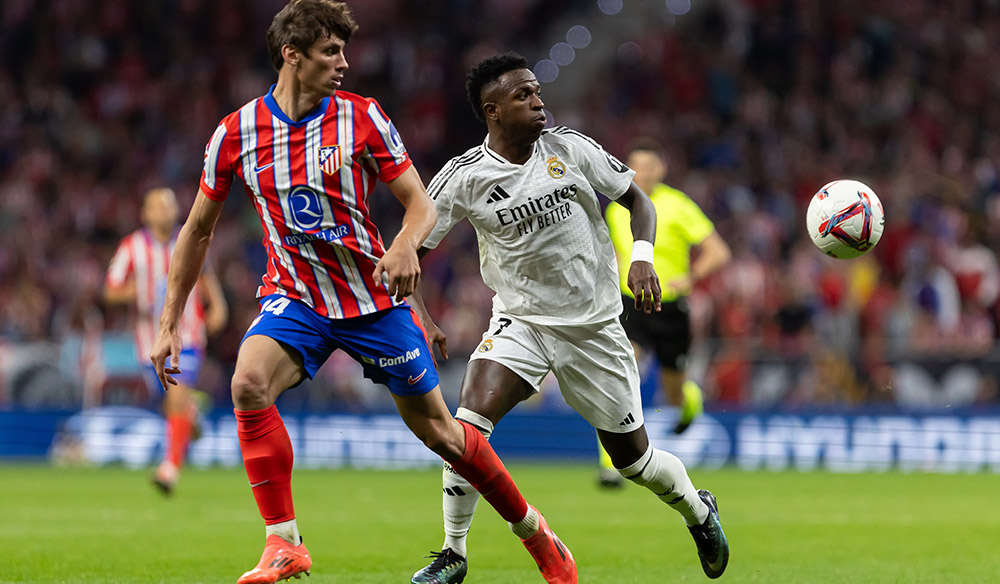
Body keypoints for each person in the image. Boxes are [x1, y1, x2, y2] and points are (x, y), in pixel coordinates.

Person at [149, 4, 575, 584]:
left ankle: (537, 534)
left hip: (372, 301)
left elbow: (420, 202)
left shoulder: (363, 119)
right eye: (331, 52)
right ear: (290, 55)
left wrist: (403, 245)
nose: (345, 63)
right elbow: (197, 229)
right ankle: (283, 543)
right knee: (247, 384)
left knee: (444, 435)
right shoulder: (236, 133)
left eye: (345, 51)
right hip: (295, 296)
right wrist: (170, 319)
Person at [408, 52, 729, 584]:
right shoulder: (464, 177)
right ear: (493, 110)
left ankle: (698, 509)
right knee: (466, 429)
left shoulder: (570, 148)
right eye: (524, 96)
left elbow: (637, 200)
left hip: (596, 327)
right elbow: (408, 252)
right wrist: (423, 318)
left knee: (635, 463)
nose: (539, 102)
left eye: (537, 92)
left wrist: (643, 258)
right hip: (522, 321)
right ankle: (453, 553)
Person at [597, 138, 732, 487]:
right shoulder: (617, 208)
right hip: (630, 305)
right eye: (635, 166)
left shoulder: (678, 205)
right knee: (618, 373)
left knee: (674, 391)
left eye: (649, 166)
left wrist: (690, 276)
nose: (641, 173)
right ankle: (611, 464)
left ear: (662, 170)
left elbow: (718, 251)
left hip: (670, 307)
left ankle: (689, 400)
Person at [104, 187, 228, 495]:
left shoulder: (190, 239)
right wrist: (140, 291)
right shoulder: (131, 247)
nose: (165, 212)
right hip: (150, 339)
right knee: (172, 400)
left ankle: (170, 468)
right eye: (158, 207)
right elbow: (110, 290)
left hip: (188, 335)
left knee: (174, 392)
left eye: (169, 206)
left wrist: (218, 307)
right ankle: (192, 411)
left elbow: (207, 277)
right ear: (145, 214)